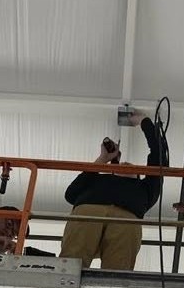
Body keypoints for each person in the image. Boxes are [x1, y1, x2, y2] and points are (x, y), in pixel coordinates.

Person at [60, 110, 167, 270]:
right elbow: (70, 194)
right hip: (91, 213)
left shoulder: (145, 188)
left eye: (131, 166)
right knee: (71, 264)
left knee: (118, 271)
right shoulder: (97, 179)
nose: (126, 164)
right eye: (123, 164)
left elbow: (159, 157)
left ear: (139, 176)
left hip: (124, 220)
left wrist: (144, 121)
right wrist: (103, 159)